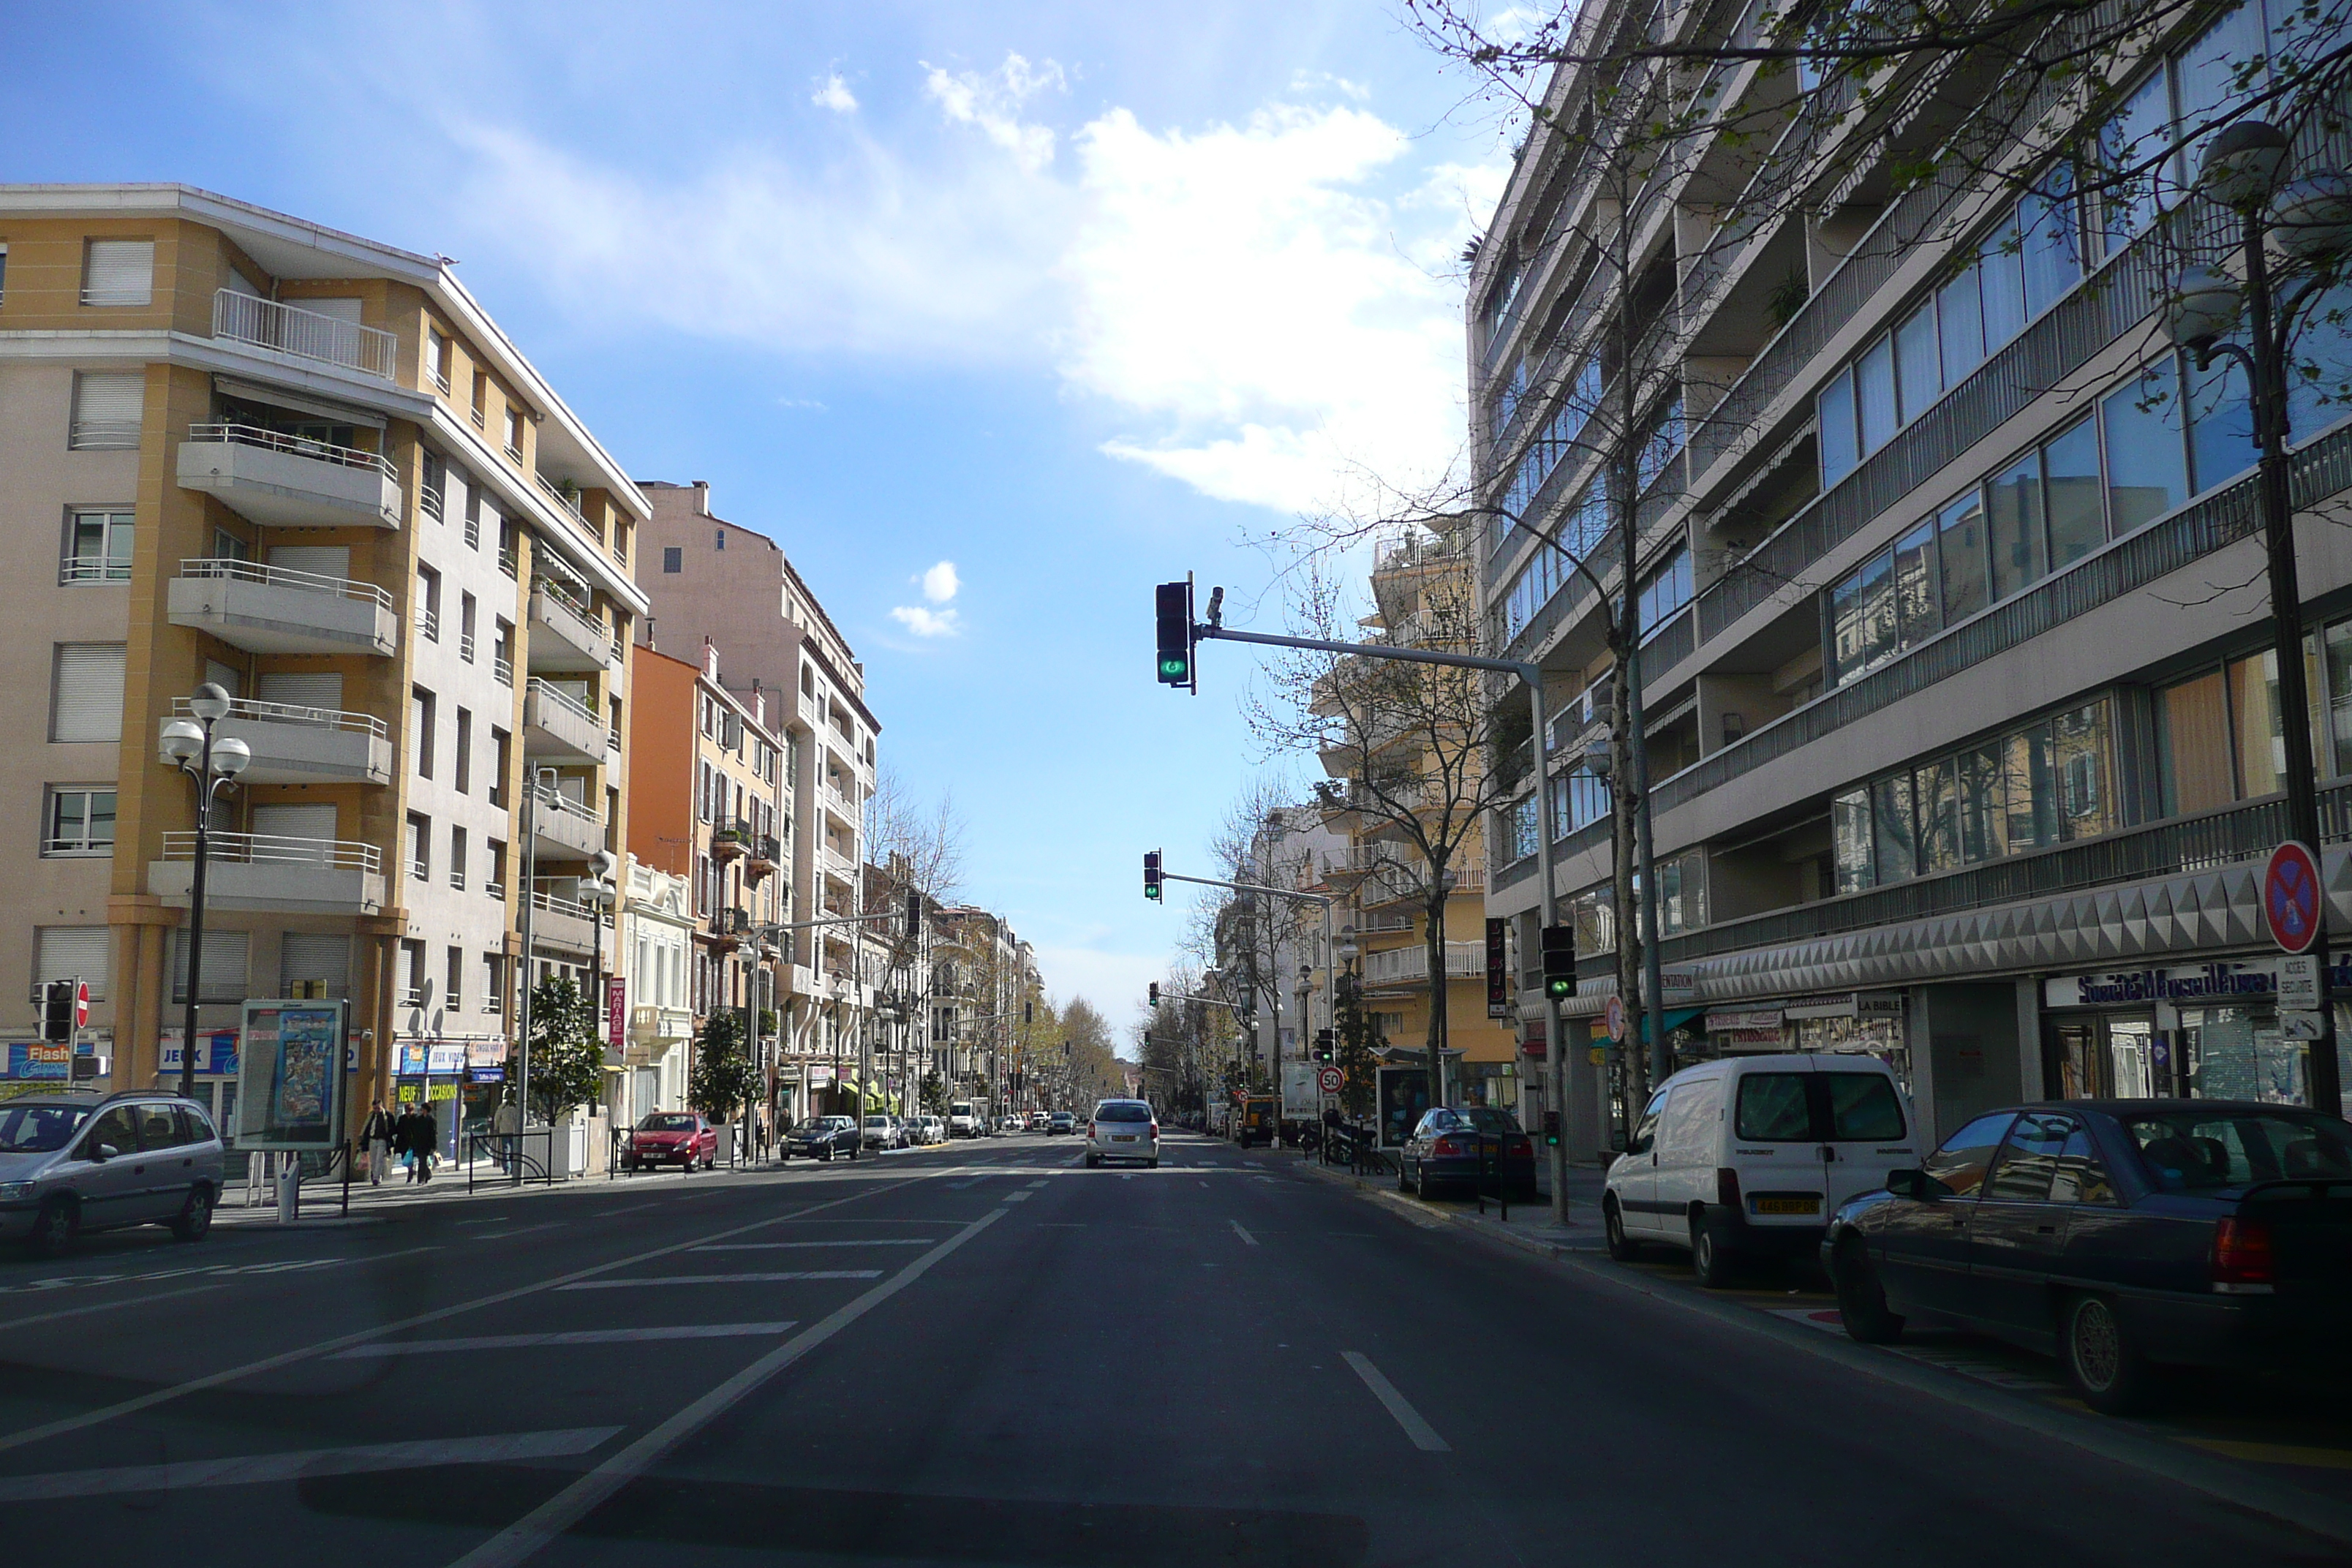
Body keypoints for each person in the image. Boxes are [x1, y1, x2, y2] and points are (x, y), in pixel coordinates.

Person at [362, 1101, 397, 1186]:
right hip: (372, 1139)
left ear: (382, 1106)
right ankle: (374, 1174)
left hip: (382, 1140)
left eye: (378, 1108)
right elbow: (366, 1127)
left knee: (379, 1159)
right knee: (373, 1160)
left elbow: (393, 1128)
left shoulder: (388, 1116)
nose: (376, 1110)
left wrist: (388, 1136)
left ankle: (376, 1178)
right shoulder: (371, 1115)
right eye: (375, 1108)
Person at [393, 1101, 420, 1183]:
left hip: (413, 1142)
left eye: (410, 1110)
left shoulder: (416, 1118)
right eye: (407, 1110)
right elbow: (398, 1129)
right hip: (403, 1142)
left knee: (413, 1157)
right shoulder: (402, 1118)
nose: (409, 1112)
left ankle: (411, 1173)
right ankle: (410, 1169)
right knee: (405, 1158)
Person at [415, 1100, 439, 1183]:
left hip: (427, 1144)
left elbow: (433, 1133)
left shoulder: (431, 1120)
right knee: (422, 1161)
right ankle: (428, 1175)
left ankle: (420, 1180)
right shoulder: (418, 1119)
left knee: (422, 1161)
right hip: (419, 1143)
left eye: (422, 1109)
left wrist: (434, 1146)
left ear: (426, 1110)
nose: (421, 1110)